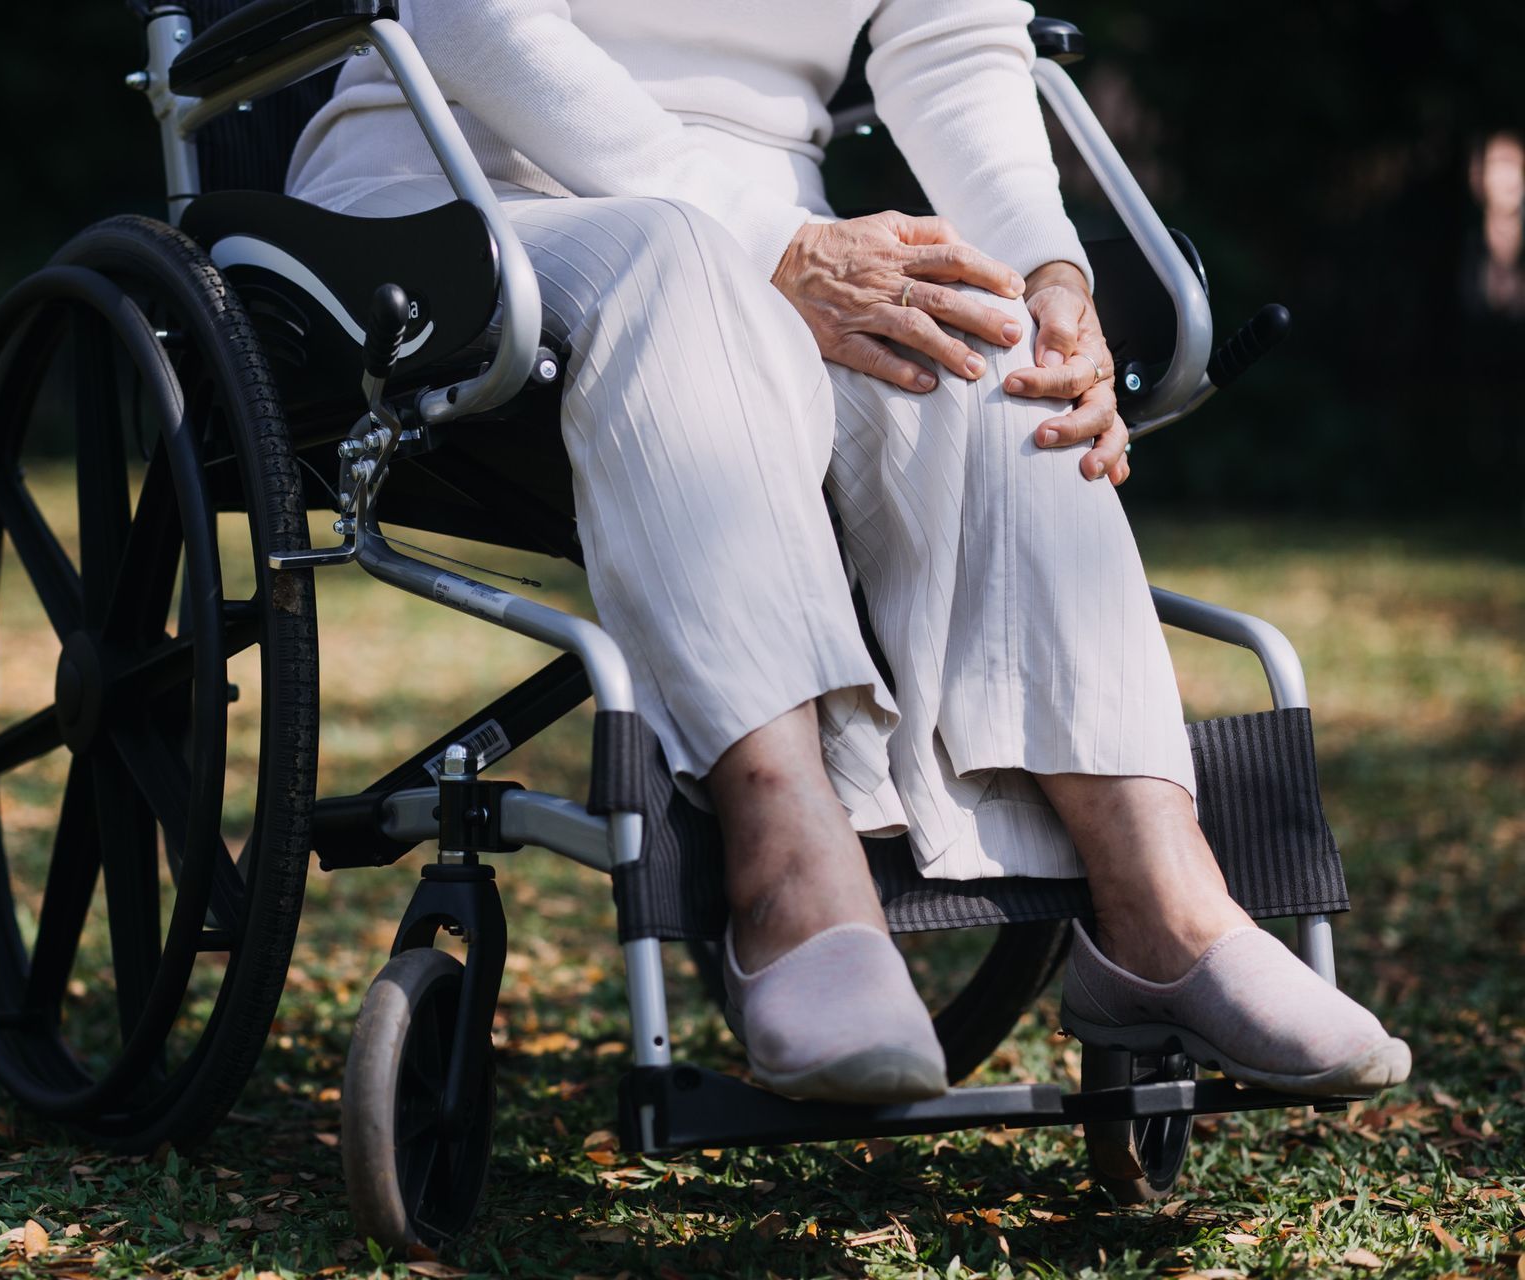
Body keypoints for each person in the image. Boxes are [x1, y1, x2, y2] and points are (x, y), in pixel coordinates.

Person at [288, 0, 1410, 1103]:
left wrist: (1047, 272)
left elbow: (954, 41)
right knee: (675, 256)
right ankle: (791, 876)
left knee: (989, 334)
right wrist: (768, 237)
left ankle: (1165, 905)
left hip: (767, 233)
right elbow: (479, 22)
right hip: (452, 193)